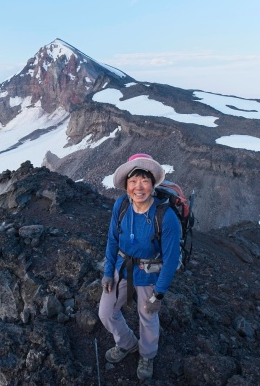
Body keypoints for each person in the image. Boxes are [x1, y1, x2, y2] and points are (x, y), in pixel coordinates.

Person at [98, 153, 181, 381]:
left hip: (148, 274)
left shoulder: (166, 217)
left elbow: (171, 259)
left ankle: (147, 354)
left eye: (144, 180)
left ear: (153, 184)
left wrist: (159, 295)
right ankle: (127, 344)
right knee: (106, 313)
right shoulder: (121, 206)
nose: (139, 187)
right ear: (126, 186)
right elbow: (112, 240)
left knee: (148, 317)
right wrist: (108, 273)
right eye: (133, 181)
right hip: (121, 268)